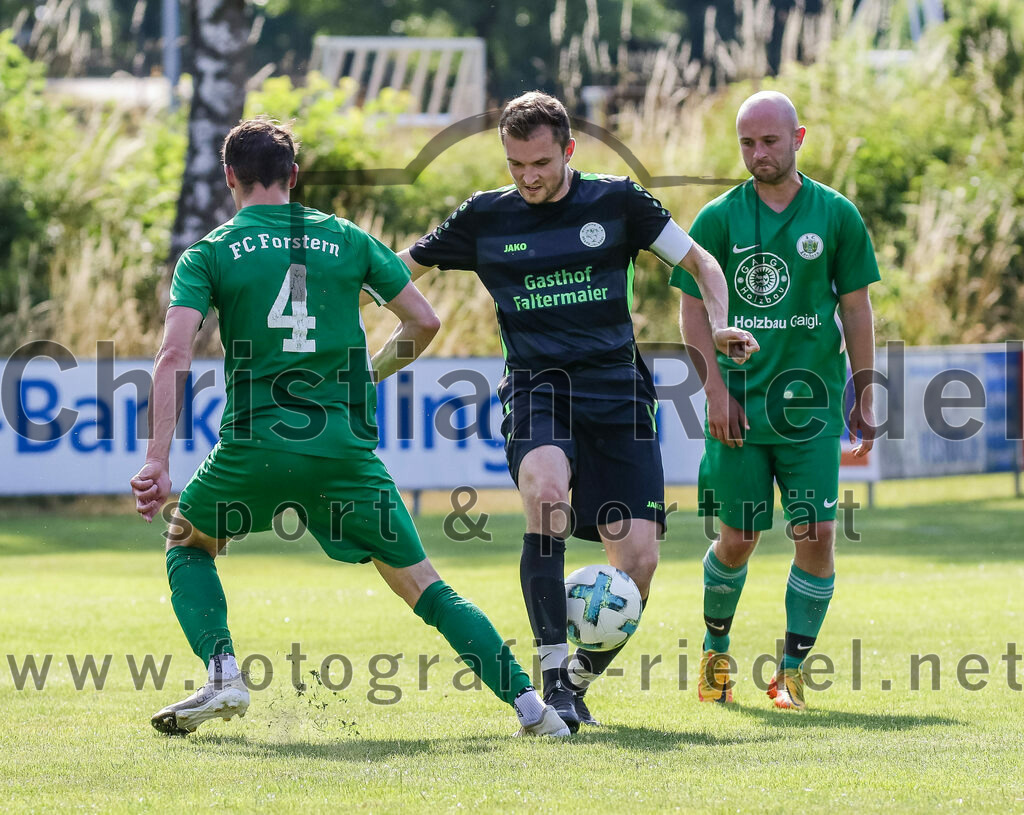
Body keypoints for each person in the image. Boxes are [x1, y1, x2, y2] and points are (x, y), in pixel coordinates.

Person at [129, 116, 569, 738]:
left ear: (230, 177)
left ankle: (225, 671)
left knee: (187, 542)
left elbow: (174, 355)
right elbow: (424, 322)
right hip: (344, 454)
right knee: (427, 588)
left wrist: (156, 460)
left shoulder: (211, 252)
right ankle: (533, 709)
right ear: (294, 177)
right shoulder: (347, 239)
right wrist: (371, 374)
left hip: (253, 449)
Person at [397, 91, 758, 731]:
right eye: (515, 165)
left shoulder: (617, 201)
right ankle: (551, 673)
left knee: (639, 565)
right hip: (538, 387)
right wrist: (334, 288)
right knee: (544, 489)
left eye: (540, 162)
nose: (528, 177)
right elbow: (398, 271)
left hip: (618, 390)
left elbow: (701, 261)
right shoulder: (485, 218)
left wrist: (724, 325)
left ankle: (576, 682)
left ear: (568, 150)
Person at [672, 90, 879, 710]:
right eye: (747, 143)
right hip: (736, 407)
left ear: (799, 138)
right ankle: (715, 655)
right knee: (738, 538)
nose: (758, 154)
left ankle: (787, 674)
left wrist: (864, 391)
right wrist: (711, 389)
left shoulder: (837, 215)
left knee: (815, 532)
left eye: (769, 141)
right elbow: (689, 307)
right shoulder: (716, 219)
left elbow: (857, 307)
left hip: (808, 409)